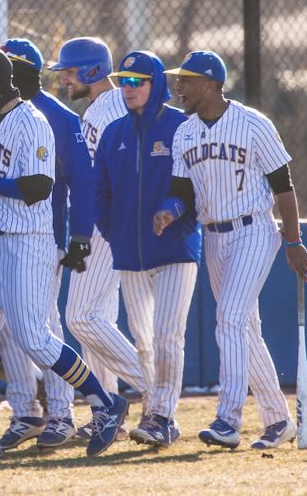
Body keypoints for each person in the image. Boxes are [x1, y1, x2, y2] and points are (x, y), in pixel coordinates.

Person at [0, 48, 128, 460]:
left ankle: (106, 403)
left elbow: (38, 187)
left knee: (34, 338)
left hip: (28, 241)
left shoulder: (32, 121)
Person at [153, 50, 307, 450]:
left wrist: (293, 240)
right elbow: (180, 192)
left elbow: (283, 186)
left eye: (186, 80)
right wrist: (169, 212)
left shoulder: (253, 123)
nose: (178, 87)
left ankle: (228, 420)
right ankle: (279, 419)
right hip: (215, 237)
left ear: (210, 84)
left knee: (230, 318)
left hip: (254, 228)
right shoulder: (184, 132)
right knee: (244, 329)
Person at [0, 38, 98, 451]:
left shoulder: (57, 117)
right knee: (6, 329)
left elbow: (81, 182)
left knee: (43, 326)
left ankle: (62, 413)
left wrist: (80, 236)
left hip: (42, 237)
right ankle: (25, 412)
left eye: (10, 65)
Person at [92, 50, 202, 448]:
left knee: (168, 336)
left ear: (156, 84)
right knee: (143, 340)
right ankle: (154, 410)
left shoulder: (181, 126)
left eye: (138, 81)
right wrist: (112, 232)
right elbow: (99, 191)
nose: (129, 88)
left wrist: (172, 211)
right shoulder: (114, 133)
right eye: (124, 81)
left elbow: (192, 187)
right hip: (130, 255)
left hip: (175, 249)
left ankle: (163, 417)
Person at [47, 37, 139, 440]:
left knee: (80, 317)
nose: (65, 79)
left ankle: (156, 385)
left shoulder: (111, 108)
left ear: (91, 71)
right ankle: (108, 410)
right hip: (105, 221)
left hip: (108, 223)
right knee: (95, 318)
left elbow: (120, 172)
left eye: (69, 72)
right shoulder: (104, 107)